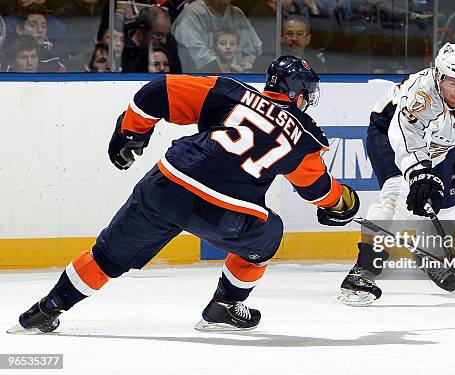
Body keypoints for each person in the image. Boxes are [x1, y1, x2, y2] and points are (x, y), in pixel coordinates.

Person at [7, 55, 360, 334]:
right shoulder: (303, 136)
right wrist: (345, 203)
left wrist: (132, 131)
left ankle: (46, 309)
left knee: (106, 257)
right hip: (225, 212)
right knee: (269, 235)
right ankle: (225, 305)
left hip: (168, 183)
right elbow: (320, 193)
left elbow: (155, 92)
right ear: (299, 93)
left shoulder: (229, 92)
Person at [337, 42, 455, 306]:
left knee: (445, 203)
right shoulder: (421, 94)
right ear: (439, 76)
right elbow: (405, 141)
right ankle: (362, 272)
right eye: (454, 83)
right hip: (389, 135)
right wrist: (419, 174)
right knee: (396, 196)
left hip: (440, 142)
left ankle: (429, 253)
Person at [171, 0, 262, 72]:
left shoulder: (237, 13)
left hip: (240, 78)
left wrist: (245, 66)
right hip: (201, 79)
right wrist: (226, 70)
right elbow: (199, 55)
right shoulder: (192, 14)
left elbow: (253, 49)